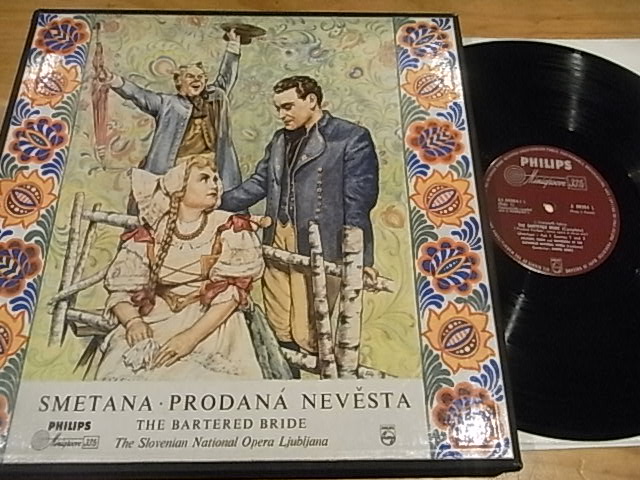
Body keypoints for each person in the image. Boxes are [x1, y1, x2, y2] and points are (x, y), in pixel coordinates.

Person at [220, 75, 379, 369]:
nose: (282, 115)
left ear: (312, 100)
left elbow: (359, 202)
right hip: (276, 236)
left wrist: (363, 258)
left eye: (288, 106)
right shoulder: (279, 139)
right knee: (278, 326)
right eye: (278, 108)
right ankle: (286, 381)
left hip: (322, 243)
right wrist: (215, 203)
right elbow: (259, 183)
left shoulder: (350, 137)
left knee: (311, 332)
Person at [95, 154, 267, 380]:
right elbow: (121, 291)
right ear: (179, 188)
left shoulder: (227, 227)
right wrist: (133, 322)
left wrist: (189, 338)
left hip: (211, 320)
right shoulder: (153, 231)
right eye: (203, 179)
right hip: (158, 315)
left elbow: (233, 293)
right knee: (123, 368)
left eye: (215, 179)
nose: (214, 185)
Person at [97, 30, 243, 191]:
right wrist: (112, 80)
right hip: (177, 171)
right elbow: (139, 95)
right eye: (190, 76)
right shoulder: (167, 103)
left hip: (210, 168)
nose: (197, 80)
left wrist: (234, 43)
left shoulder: (216, 96)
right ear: (179, 82)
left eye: (200, 77)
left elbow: (226, 76)